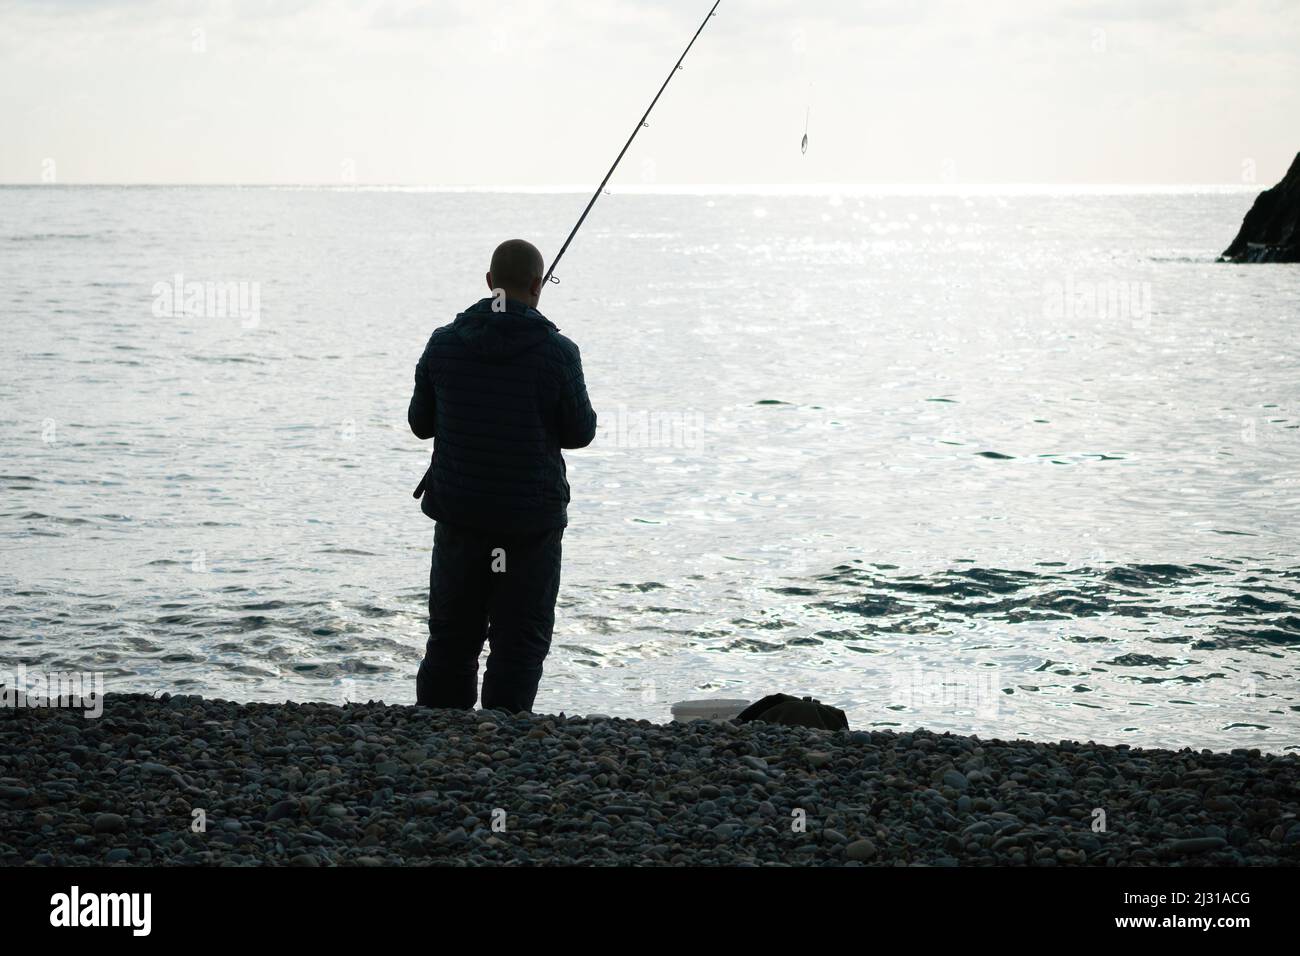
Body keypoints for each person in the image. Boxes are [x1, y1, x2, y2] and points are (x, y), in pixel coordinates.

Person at [408, 239, 597, 713]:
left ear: (489, 282)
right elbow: (580, 433)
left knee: (452, 638)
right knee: (520, 643)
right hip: (529, 525)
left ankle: (438, 735)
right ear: (537, 285)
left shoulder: (444, 342)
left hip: (461, 519)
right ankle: (505, 737)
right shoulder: (559, 352)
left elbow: (419, 424)